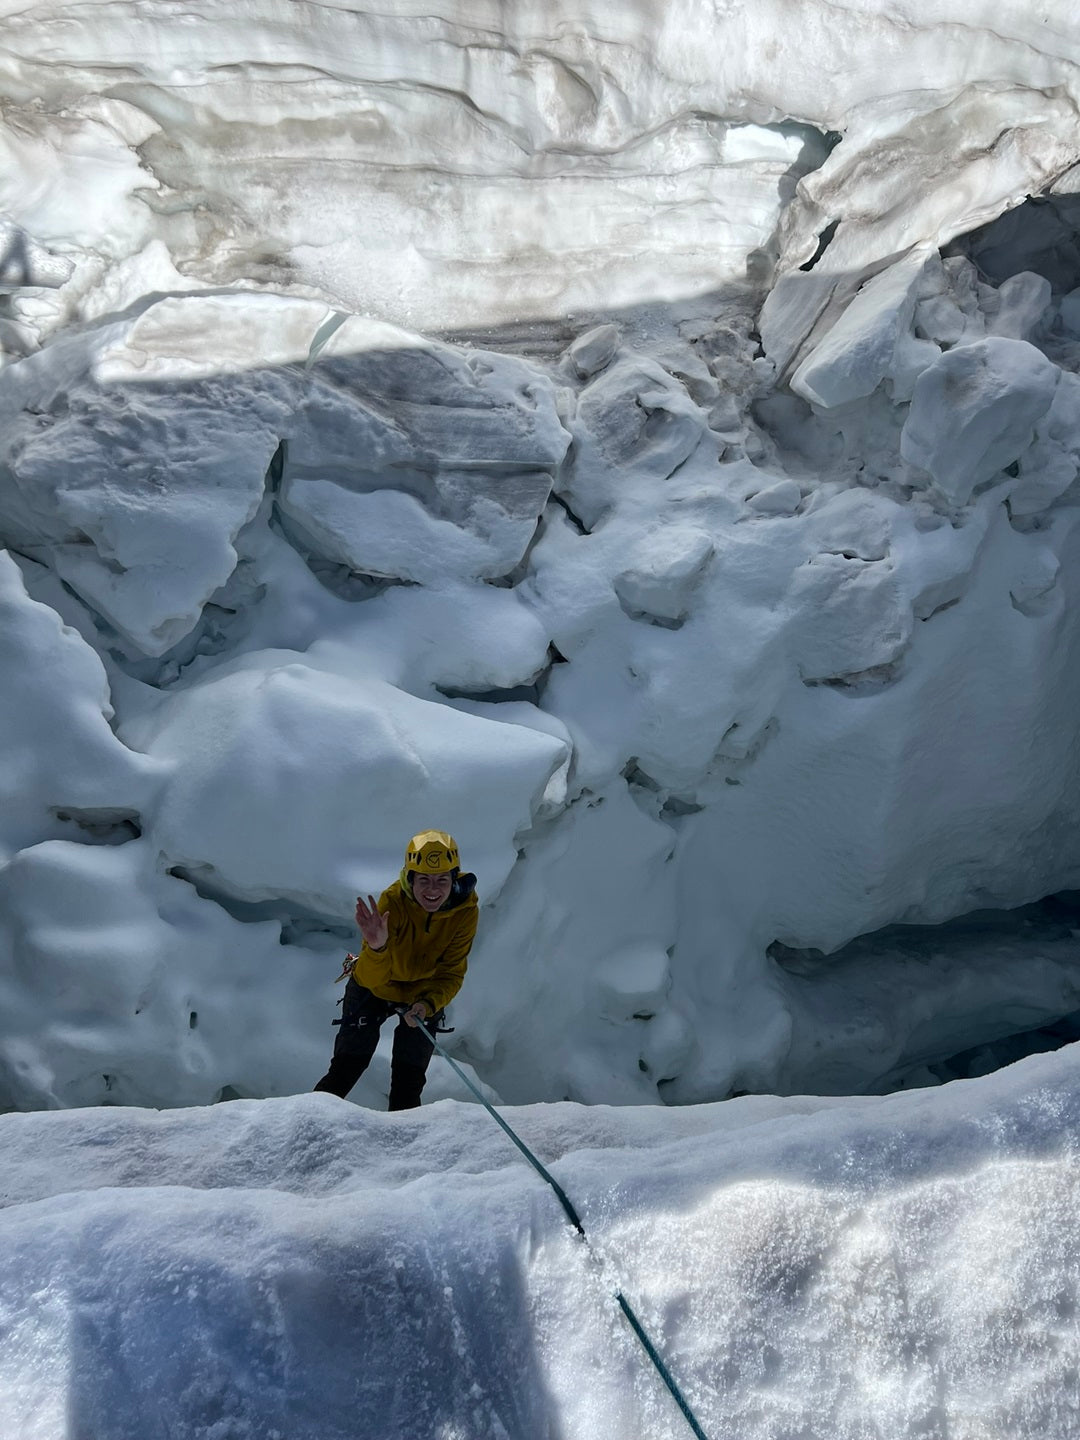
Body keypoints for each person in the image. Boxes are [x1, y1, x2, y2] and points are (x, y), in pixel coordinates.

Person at [314, 830, 479, 1109]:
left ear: (455, 880)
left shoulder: (465, 911)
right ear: (409, 878)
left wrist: (427, 1004)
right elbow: (368, 977)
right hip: (375, 988)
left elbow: (451, 972)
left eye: (442, 880)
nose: (432, 890)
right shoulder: (393, 904)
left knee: (408, 1084)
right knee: (345, 1069)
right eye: (424, 879)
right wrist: (377, 948)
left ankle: (401, 1150)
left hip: (423, 993)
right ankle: (303, 1124)